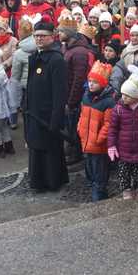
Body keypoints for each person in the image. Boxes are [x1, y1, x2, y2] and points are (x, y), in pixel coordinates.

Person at [25, 16, 69, 192]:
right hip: (34, 112)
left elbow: (60, 93)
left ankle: (52, 182)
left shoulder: (57, 60)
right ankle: (38, 181)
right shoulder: (35, 56)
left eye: (43, 36)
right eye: (36, 36)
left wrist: (55, 120)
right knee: (36, 148)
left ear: (53, 37)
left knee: (50, 150)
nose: (39, 39)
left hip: (48, 115)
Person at [77, 61, 115, 201]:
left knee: (100, 168)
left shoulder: (108, 102)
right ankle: (93, 183)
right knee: (89, 165)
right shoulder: (86, 96)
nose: (91, 84)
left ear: (103, 83)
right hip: (86, 139)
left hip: (98, 144)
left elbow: (108, 124)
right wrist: (80, 127)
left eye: (95, 82)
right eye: (90, 81)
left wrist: (99, 139)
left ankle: (99, 190)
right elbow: (82, 115)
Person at [59, 15, 94, 164]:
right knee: (69, 125)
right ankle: (72, 149)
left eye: (62, 31)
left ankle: (76, 153)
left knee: (75, 126)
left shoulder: (79, 52)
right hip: (67, 94)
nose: (59, 34)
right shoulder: (67, 47)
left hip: (75, 98)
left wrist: (71, 101)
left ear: (70, 33)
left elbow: (78, 80)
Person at [10, 17, 36, 129]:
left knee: (28, 115)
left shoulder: (19, 53)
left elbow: (15, 77)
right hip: (39, 85)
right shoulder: (39, 46)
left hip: (26, 89)